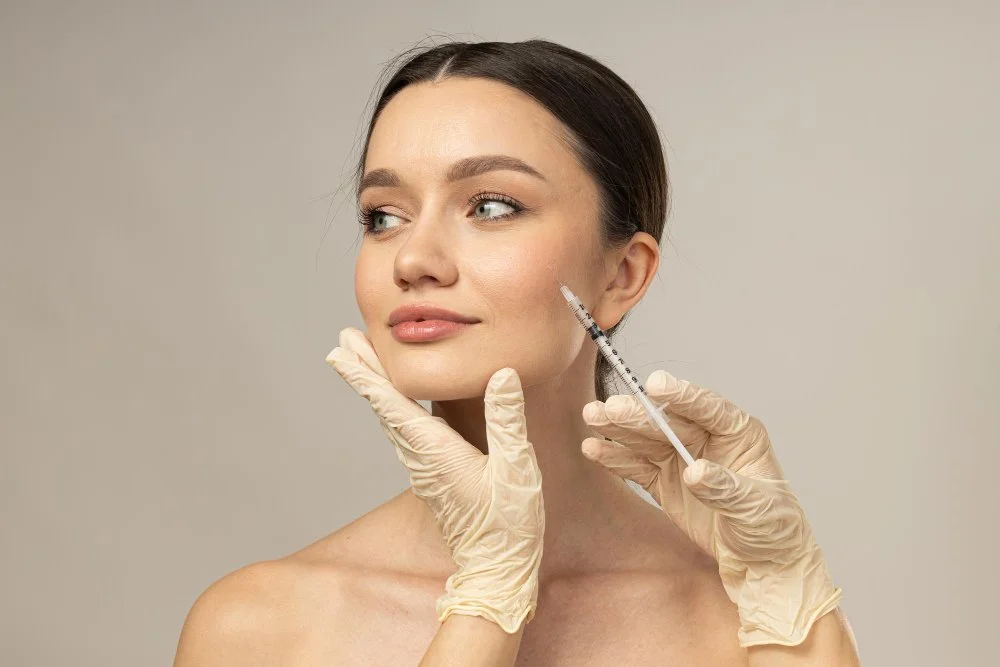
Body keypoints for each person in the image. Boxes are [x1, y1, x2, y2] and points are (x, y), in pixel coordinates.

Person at [173, 39, 861, 666]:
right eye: (384, 215)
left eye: (492, 206)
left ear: (622, 274)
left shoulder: (749, 621)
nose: (414, 258)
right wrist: (484, 607)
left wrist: (790, 613)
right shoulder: (258, 628)